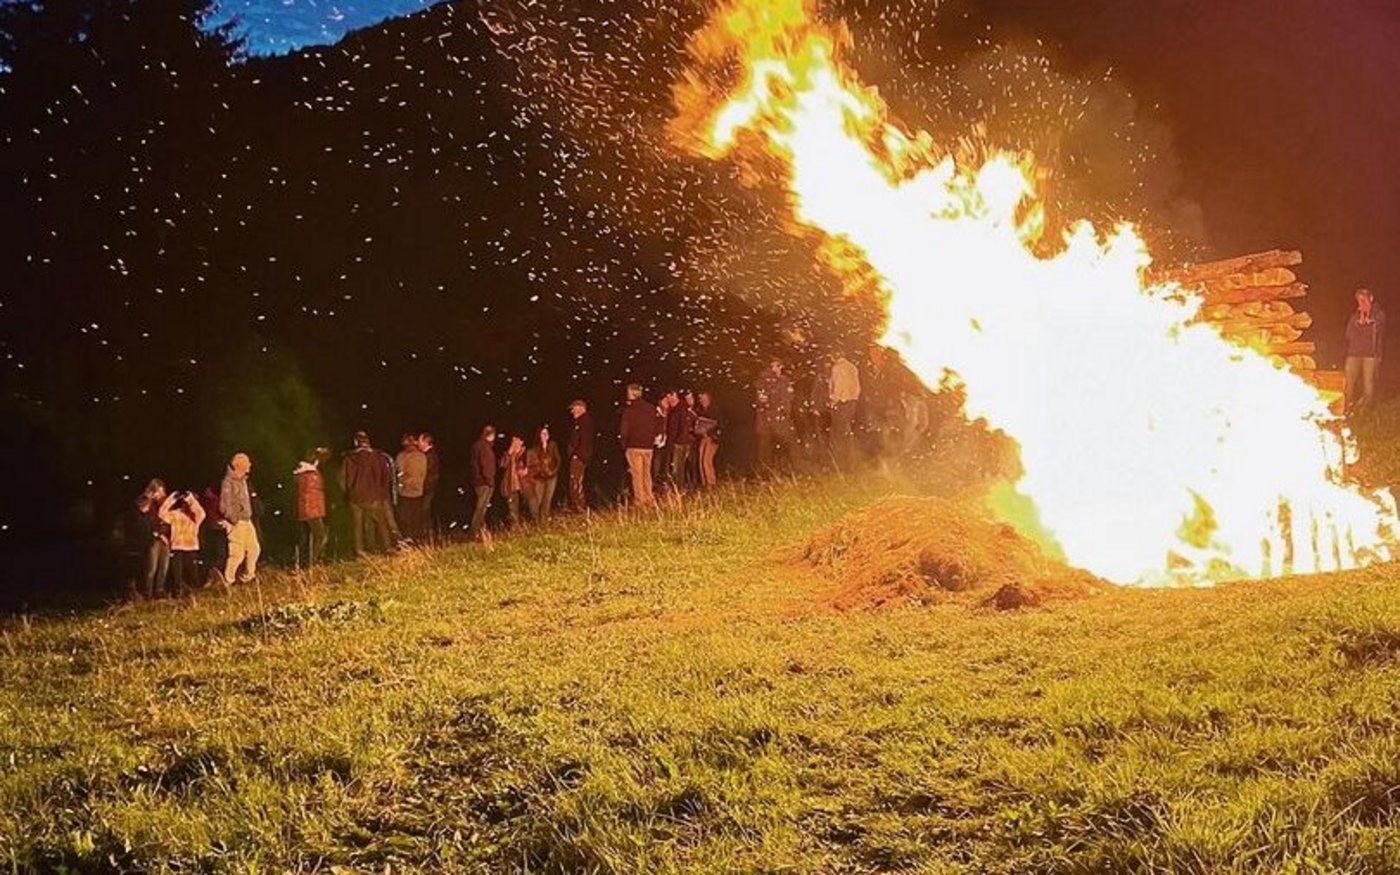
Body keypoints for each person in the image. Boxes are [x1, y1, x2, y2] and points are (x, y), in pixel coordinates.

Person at [340, 432, 395, 557]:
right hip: (374, 496)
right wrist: (382, 493)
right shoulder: (378, 457)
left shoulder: (348, 459)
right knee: (381, 522)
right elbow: (386, 476)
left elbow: (342, 479)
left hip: (355, 498)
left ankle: (360, 550)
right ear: (368, 442)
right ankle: (388, 548)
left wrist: (349, 493)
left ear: (356, 443)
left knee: (357, 525)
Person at [221, 453, 261, 584]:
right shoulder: (228, 482)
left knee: (254, 549)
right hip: (238, 522)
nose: (250, 464)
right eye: (247, 462)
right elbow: (224, 505)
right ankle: (228, 580)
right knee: (237, 554)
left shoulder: (243, 480)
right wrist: (234, 520)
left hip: (246, 521)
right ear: (238, 464)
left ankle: (248, 577)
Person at [1345, 288, 1385, 413]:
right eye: (1359, 300)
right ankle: (1346, 407)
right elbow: (1348, 334)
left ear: (1371, 299)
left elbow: (1377, 329)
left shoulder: (1379, 314)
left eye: (1364, 299)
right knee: (1348, 382)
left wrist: (1367, 322)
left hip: (1371, 355)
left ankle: (1365, 411)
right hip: (1353, 353)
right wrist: (1359, 323)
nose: (1361, 302)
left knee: (1368, 383)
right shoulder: (1354, 316)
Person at [159, 489, 205, 596]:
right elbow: (161, 514)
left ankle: (194, 592)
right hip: (177, 547)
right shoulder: (175, 514)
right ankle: (178, 592)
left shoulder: (195, 516)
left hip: (191, 547)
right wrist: (172, 499)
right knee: (177, 574)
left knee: (192, 573)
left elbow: (201, 513)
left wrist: (190, 498)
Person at [620, 384, 657, 507]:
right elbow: (655, 425)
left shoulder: (629, 410)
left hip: (634, 445)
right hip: (648, 446)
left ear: (632, 393)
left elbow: (624, 430)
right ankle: (649, 498)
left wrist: (624, 444)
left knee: (637, 474)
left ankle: (640, 501)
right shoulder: (651, 408)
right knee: (647, 473)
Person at [754, 360, 794, 472]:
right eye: (772, 366)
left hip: (779, 420)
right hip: (767, 420)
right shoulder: (764, 381)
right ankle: (765, 471)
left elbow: (788, 400)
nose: (774, 368)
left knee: (783, 445)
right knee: (765, 448)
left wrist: (785, 414)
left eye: (776, 366)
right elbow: (761, 400)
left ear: (782, 366)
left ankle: (784, 468)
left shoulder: (785, 381)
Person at [294, 448, 330, 566]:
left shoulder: (302, 473)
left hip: (308, 509)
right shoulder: (311, 475)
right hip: (312, 510)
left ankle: (310, 560)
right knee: (321, 535)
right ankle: (313, 561)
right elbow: (316, 491)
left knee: (312, 536)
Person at [829, 352, 863, 466]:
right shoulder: (852, 367)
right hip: (851, 403)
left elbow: (838, 386)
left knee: (838, 432)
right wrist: (854, 399)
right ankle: (851, 459)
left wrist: (834, 400)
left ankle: (841, 460)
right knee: (847, 430)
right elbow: (858, 387)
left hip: (841, 403)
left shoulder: (837, 368)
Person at [395, 433, 429, 542]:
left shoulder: (401, 456)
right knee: (417, 516)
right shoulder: (422, 456)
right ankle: (417, 538)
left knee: (405, 517)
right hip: (418, 491)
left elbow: (398, 473)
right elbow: (423, 473)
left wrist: (401, 484)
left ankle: (408, 538)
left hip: (404, 491)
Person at [525, 425, 562, 521]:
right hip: (539, 478)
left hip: (552, 477)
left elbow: (558, 460)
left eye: (547, 433)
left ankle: (544, 521)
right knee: (538, 500)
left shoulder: (553, 445)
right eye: (543, 433)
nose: (545, 435)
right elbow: (532, 465)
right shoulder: (534, 449)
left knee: (547, 500)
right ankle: (536, 521)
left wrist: (554, 471)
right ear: (539, 435)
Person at [469, 425, 498, 540]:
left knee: (482, 508)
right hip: (484, 482)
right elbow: (486, 466)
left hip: (480, 481)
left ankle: (482, 532)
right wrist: (488, 481)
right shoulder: (484, 447)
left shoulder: (479, 446)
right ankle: (474, 532)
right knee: (481, 508)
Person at [566, 400, 594, 512]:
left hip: (579, 457)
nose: (572, 411)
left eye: (574, 408)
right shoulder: (581, 422)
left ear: (581, 408)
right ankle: (577, 505)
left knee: (575, 480)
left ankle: (578, 506)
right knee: (575, 480)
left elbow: (584, 441)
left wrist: (577, 455)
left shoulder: (584, 422)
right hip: (579, 456)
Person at [668, 389, 698, 491]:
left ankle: (678, 489)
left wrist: (670, 444)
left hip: (679, 442)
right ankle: (691, 486)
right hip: (689, 441)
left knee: (678, 468)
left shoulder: (676, 411)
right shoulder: (687, 410)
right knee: (688, 466)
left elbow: (673, 429)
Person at [499, 434, 528, 527]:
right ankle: (515, 529)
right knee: (513, 510)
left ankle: (527, 527)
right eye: (513, 440)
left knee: (527, 508)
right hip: (511, 486)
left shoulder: (525, 453)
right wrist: (509, 452)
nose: (514, 442)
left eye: (516, 440)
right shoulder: (508, 454)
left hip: (524, 486)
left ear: (521, 442)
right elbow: (502, 464)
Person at [694, 391, 721, 489]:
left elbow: (718, 424)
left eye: (705, 399)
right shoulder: (700, 410)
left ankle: (711, 482)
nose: (703, 401)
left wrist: (711, 431)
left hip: (711, 438)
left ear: (709, 399)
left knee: (707, 460)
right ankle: (704, 482)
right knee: (701, 460)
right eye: (701, 399)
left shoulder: (715, 410)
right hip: (703, 437)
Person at [419, 432, 440, 542]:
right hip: (427, 487)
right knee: (425, 511)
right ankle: (428, 533)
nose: (418, 443)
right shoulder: (428, 455)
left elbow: (428, 472)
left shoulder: (429, 456)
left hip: (428, 487)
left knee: (424, 510)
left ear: (426, 442)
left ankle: (428, 533)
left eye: (420, 440)